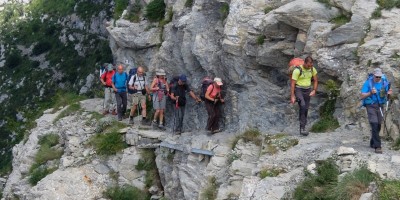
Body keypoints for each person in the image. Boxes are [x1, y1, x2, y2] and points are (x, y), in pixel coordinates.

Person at [361, 68, 392, 154]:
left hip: (380, 105)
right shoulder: (368, 83)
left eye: (379, 76)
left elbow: (387, 95)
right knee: (374, 123)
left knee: (378, 125)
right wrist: (370, 93)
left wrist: (389, 94)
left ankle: (373, 141)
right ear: (373, 75)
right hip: (370, 105)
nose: (378, 78)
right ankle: (378, 146)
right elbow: (362, 96)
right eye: (376, 76)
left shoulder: (384, 82)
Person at [290, 56, 318, 136]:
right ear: (305, 63)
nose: (310, 67)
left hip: (308, 90)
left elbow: (315, 80)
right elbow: (293, 84)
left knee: (305, 109)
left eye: (311, 65)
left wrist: (314, 90)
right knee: (302, 105)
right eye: (308, 65)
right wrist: (292, 95)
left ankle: (303, 127)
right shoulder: (297, 70)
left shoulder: (312, 69)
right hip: (299, 90)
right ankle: (302, 128)